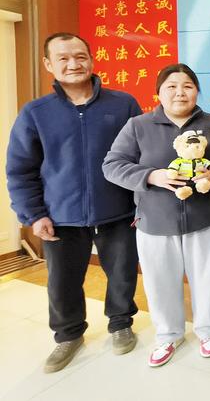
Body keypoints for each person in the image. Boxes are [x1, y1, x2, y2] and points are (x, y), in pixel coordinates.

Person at [6, 33, 142, 373]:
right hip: (60, 215)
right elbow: (20, 169)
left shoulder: (123, 104)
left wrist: (142, 204)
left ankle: (121, 323)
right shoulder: (36, 113)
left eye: (80, 56)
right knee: (62, 281)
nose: (73, 64)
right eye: (63, 58)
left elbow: (141, 157)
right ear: (49, 64)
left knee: (123, 273)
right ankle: (68, 335)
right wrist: (33, 214)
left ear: (91, 60)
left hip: (118, 211)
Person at [103, 63, 210, 367]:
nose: (179, 92)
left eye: (187, 86)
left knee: (207, 278)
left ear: (197, 91)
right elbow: (112, 165)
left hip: (204, 218)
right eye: (171, 86)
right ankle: (168, 335)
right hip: (154, 221)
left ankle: (208, 331)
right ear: (158, 92)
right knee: (160, 282)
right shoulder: (138, 125)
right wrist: (151, 176)